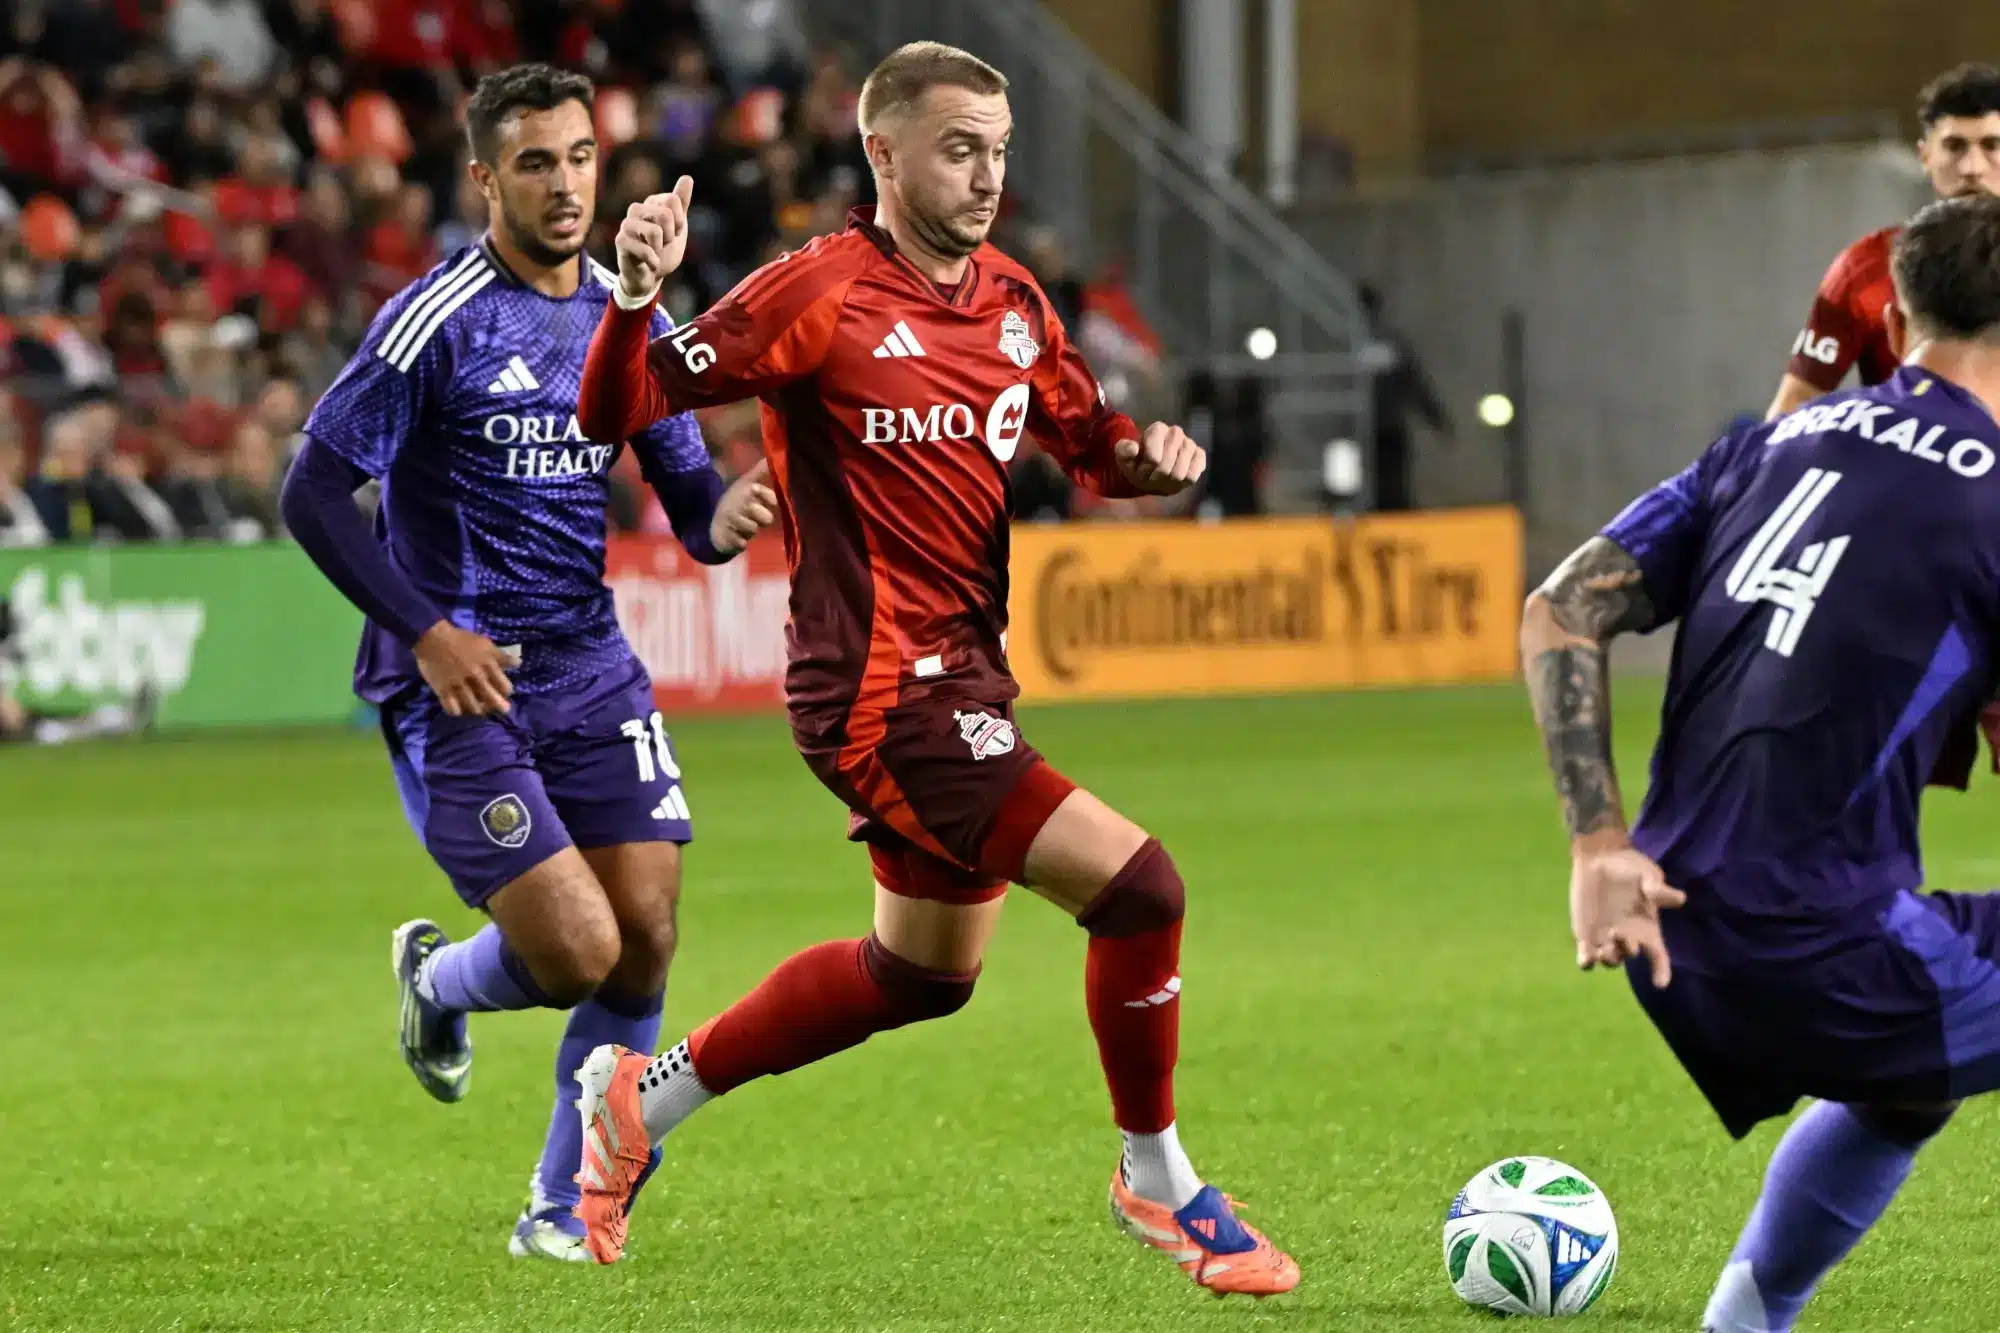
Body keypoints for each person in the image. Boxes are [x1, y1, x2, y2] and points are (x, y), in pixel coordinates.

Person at [569, 41, 1299, 1295]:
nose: (984, 175)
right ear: (884, 151)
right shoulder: (816, 293)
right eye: (959, 148)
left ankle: (643, 1097)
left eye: (999, 150)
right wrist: (636, 296)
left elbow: (1090, 441)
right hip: (877, 695)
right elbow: (616, 408)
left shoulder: (1015, 302)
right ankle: (1158, 1178)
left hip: (963, 678)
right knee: (1141, 890)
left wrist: (1150, 464)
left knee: (919, 978)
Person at [277, 64, 777, 1264]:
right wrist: (426, 630)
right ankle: (441, 985)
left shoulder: (629, 313)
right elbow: (312, 490)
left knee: (648, 934)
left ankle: (560, 1205)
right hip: (461, 677)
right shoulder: (435, 319)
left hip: (587, 661)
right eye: (537, 162)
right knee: (575, 954)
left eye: (581, 158)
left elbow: (689, 498)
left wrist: (729, 515)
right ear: (484, 177)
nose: (565, 186)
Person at [1520, 194, 2000, 1333]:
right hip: (1820, 949)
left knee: (1909, 1087)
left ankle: (1743, 1321)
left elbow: (1559, 610)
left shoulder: (1763, 444)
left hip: (1659, 926)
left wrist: (1595, 844)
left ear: (1897, 310)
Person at [1766, 63, 2000, 421]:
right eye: (1954, 146)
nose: (1971, 167)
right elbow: (1792, 410)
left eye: (1991, 145)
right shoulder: (1867, 268)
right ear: (1925, 156)